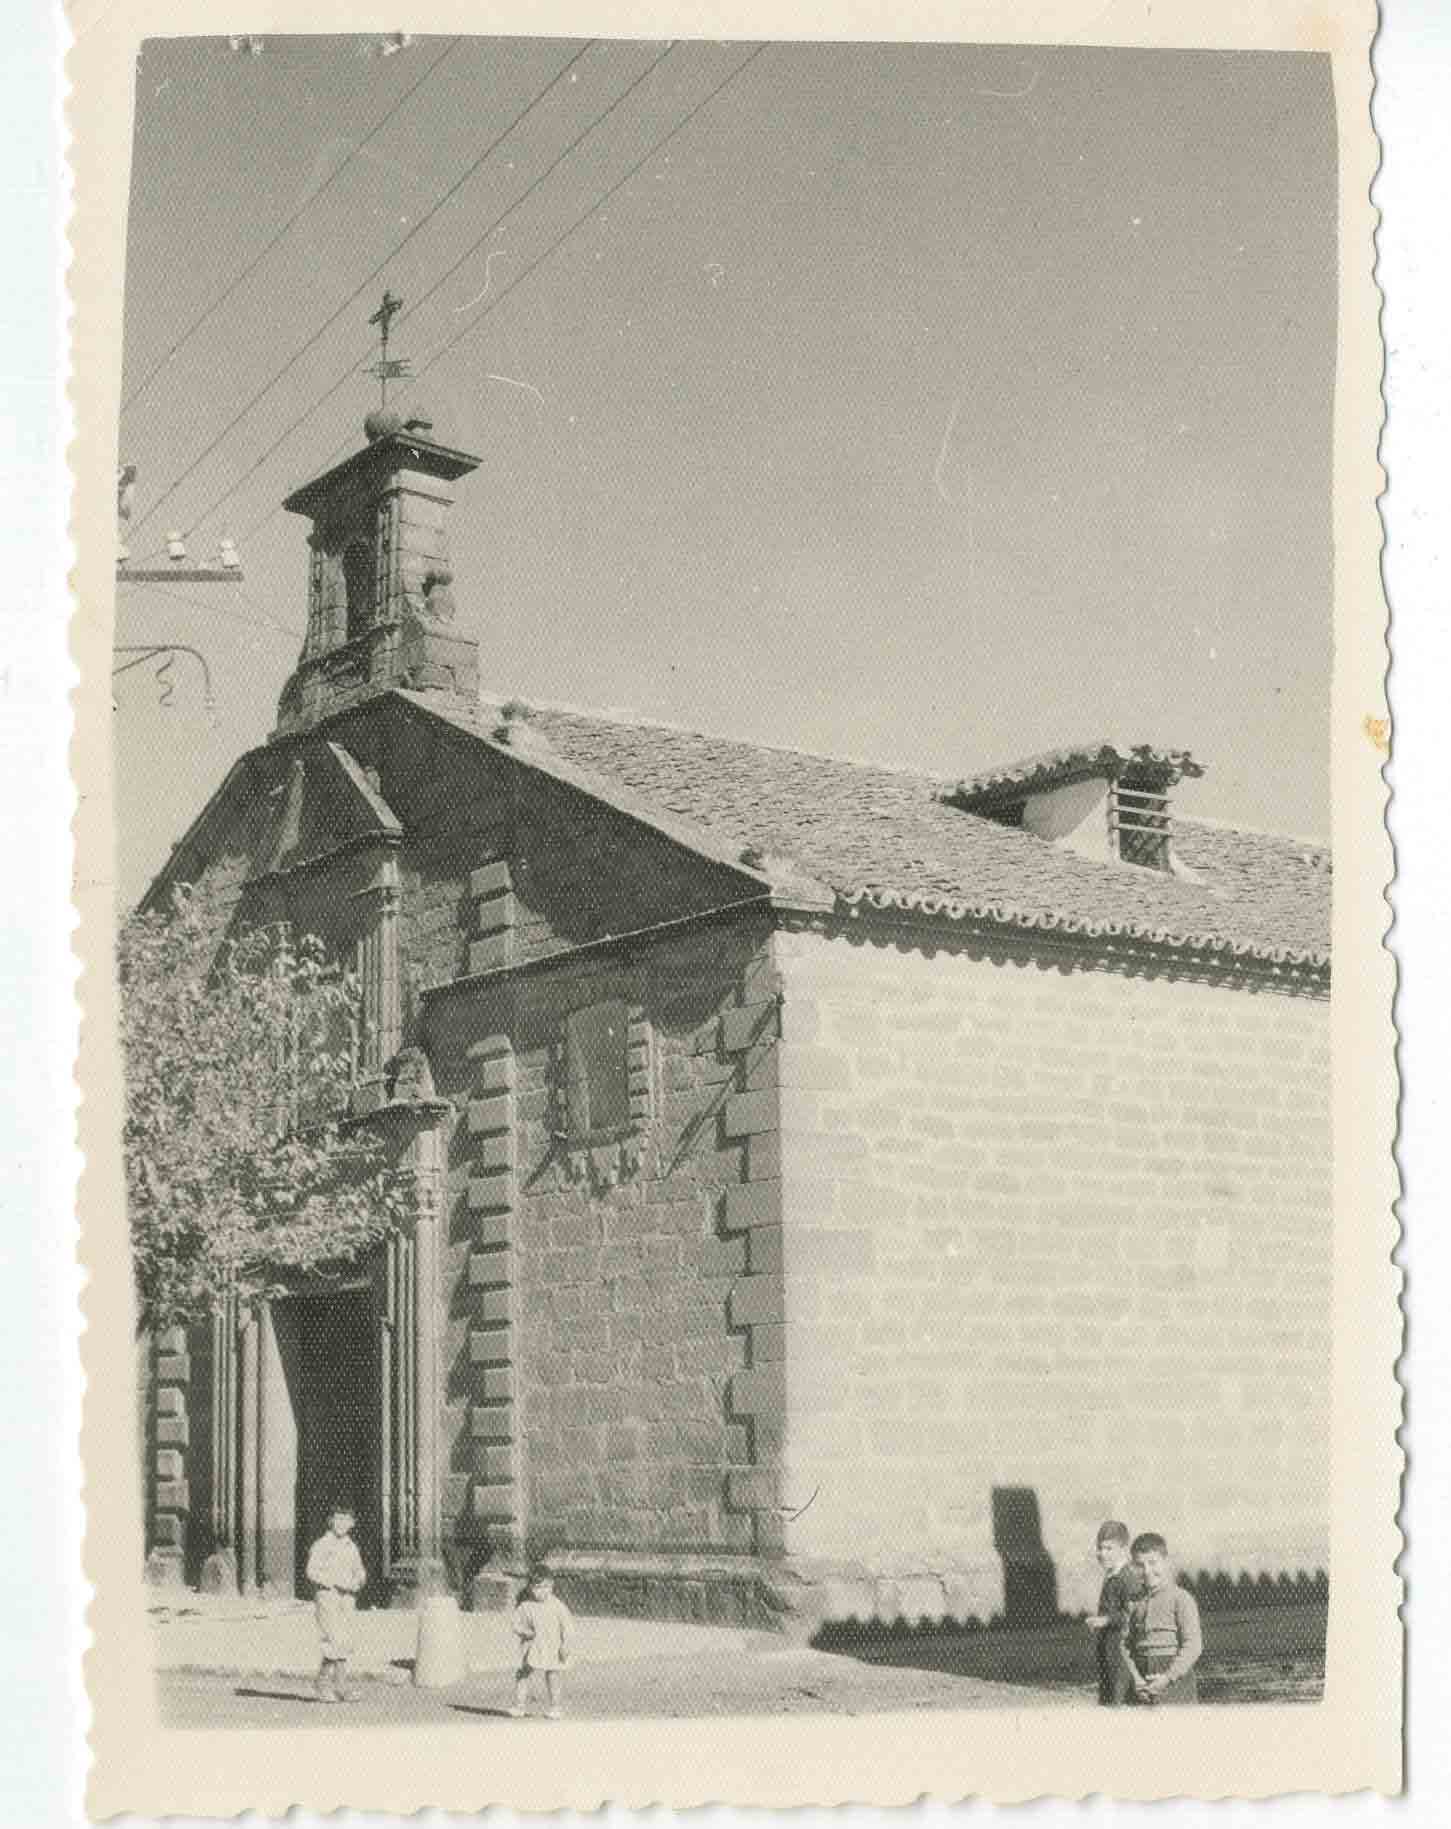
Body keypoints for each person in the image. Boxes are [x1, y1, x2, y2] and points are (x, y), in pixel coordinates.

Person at [1121, 1531, 1203, 1706]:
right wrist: (1136, 1678)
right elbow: (1125, 1645)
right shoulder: (1133, 1602)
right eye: (1140, 1565)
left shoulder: (1181, 1598)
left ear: (1166, 1561)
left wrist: (1167, 1678)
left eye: (1153, 1563)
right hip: (1140, 1680)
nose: (1147, 1571)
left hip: (1175, 1677)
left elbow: (1193, 1645)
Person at [306, 1503, 366, 1704]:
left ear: (352, 1523)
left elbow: (359, 1571)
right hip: (328, 1597)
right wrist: (331, 1582)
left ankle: (341, 1687)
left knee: (344, 1641)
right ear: (330, 1521)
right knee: (333, 1640)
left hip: (347, 1599)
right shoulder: (322, 1544)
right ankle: (322, 1684)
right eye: (337, 1518)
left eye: (345, 1519)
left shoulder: (352, 1547)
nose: (341, 1523)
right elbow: (311, 1571)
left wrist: (358, 1581)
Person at [1084, 1520, 1144, 1706]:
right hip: (1108, 1649)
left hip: (1123, 1652)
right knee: (1108, 1697)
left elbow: (1134, 1614)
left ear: (1123, 1549)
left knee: (1120, 1700)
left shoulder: (1127, 1578)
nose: (1102, 1554)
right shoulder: (1111, 1575)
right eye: (1100, 1548)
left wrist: (1106, 1620)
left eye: (1109, 1548)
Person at [511, 1567, 574, 1719]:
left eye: (546, 1586)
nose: (542, 1591)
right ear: (530, 1587)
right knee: (523, 1673)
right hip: (532, 1646)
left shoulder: (558, 1606)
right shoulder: (526, 1606)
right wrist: (524, 1632)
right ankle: (519, 1706)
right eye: (537, 1587)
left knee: (553, 1675)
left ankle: (556, 1707)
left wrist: (566, 1644)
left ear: (552, 1586)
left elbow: (568, 1626)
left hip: (553, 1646)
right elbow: (516, 1623)